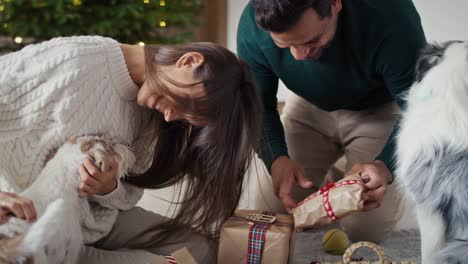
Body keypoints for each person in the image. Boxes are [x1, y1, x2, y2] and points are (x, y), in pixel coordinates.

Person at [0, 36, 263, 263]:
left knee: (204, 252)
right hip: (29, 216)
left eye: (186, 116)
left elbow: (127, 197)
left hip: (95, 221)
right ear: (189, 61)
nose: (172, 116)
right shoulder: (73, 61)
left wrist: (108, 187)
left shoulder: (152, 115)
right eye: (185, 103)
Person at [237, 0, 426, 242]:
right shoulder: (252, 25)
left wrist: (384, 166)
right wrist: (276, 158)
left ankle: (343, 171)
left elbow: (419, 108)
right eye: (284, 45)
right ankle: (336, 173)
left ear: (335, 4)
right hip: (308, 107)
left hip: (377, 110)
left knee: (365, 230)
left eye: (312, 41)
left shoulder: (392, 16)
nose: (299, 56)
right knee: (269, 215)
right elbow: (258, 106)